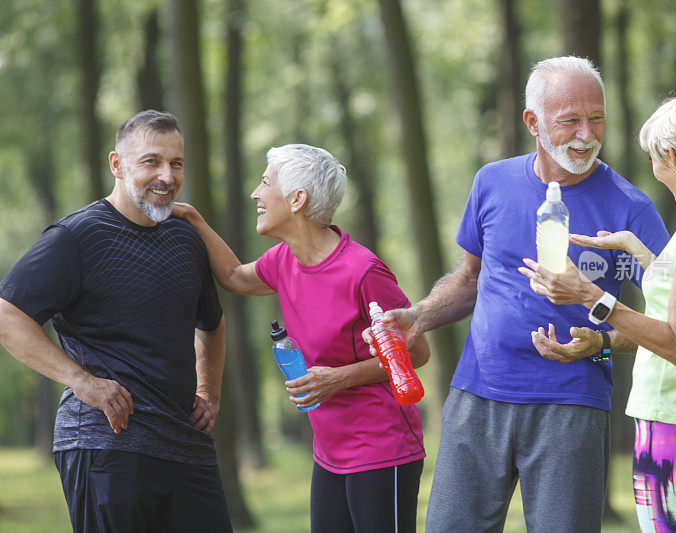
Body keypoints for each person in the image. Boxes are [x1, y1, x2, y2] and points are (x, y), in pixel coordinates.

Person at [365, 56, 670, 532]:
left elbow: (671, 327)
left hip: (571, 403)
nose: (587, 135)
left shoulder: (630, 207)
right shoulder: (492, 182)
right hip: (476, 396)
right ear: (532, 122)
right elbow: (470, 279)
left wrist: (603, 342)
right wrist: (419, 316)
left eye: (597, 118)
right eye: (570, 120)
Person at [520, 90, 676, 531]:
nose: (657, 171)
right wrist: (635, 248)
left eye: (656, 159)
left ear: (673, 157)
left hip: (675, 431)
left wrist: (590, 295)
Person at [171, 143, 430, 533]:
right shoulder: (282, 259)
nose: (255, 194)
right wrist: (194, 220)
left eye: (264, 183)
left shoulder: (362, 271)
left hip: (382, 449)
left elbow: (417, 351)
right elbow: (234, 277)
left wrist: (337, 378)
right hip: (329, 452)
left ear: (297, 199)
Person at [0, 110, 232, 532]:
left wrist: (208, 391)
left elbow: (211, 323)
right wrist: (81, 381)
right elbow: (7, 314)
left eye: (176, 163)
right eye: (151, 161)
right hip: (105, 442)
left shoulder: (186, 238)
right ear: (116, 164)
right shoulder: (75, 237)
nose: (167, 175)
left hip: (186, 444)